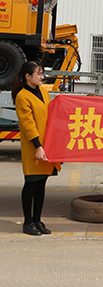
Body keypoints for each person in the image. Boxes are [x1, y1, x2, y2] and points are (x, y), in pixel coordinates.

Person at [12, 61, 61, 236]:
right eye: (39, 74)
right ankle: (28, 222)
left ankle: (37, 220)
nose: (42, 77)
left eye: (42, 73)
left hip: (46, 145)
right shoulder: (22, 97)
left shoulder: (43, 92)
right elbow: (28, 125)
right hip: (34, 146)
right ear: (28, 76)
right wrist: (38, 146)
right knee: (31, 184)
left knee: (41, 184)